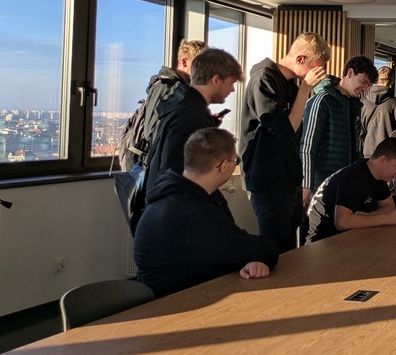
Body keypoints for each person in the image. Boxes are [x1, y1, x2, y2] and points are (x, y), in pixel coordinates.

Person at [134, 128, 279, 298]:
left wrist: (247, 259)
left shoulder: (171, 193)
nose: (236, 164)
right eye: (236, 161)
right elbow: (267, 252)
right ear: (223, 166)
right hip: (179, 304)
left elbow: (230, 246)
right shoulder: (194, 213)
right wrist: (250, 257)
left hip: (176, 293)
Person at [241, 32, 330, 252]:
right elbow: (286, 129)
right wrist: (306, 89)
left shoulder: (291, 84)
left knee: (290, 248)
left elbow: (296, 132)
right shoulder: (264, 78)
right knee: (276, 247)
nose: (318, 75)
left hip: (288, 179)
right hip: (267, 179)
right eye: (316, 68)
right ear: (300, 59)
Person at [136, 48, 242, 234]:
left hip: (165, 210)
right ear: (216, 80)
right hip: (176, 216)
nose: (232, 90)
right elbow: (175, 169)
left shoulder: (181, 106)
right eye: (231, 83)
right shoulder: (191, 117)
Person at [299, 55, 378, 207]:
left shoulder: (355, 106)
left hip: (344, 184)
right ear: (350, 73)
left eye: (368, 85)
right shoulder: (322, 100)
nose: (365, 89)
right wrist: (306, 186)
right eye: (363, 82)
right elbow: (307, 146)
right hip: (320, 185)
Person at [119, 39, 207, 171]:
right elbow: (154, 133)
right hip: (158, 170)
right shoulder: (170, 90)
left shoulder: (170, 87)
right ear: (184, 62)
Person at [306, 137, 396, 243]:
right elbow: (342, 222)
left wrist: (367, 217)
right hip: (319, 238)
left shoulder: (379, 176)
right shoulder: (353, 177)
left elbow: (389, 206)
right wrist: (387, 219)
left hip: (344, 236)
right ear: (382, 160)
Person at [360, 65, 396, 158]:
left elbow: (359, 133)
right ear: (392, 81)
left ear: (375, 80)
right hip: (390, 154)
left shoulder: (362, 103)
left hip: (367, 154)